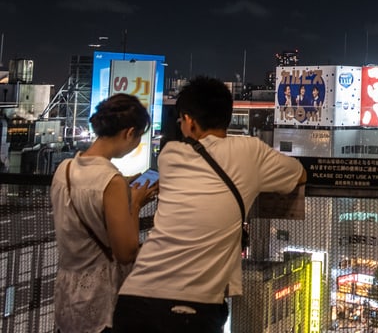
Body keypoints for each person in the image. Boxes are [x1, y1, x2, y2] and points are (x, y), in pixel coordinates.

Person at [113, 75, 306, 333]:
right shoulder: (251, 152)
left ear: (190, 122)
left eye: (181, 120)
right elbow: (299, 174)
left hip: (134, 298)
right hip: (195, 306)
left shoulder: (169, 155)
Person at [50, 93, 157, 333]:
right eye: (138, 137)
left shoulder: (64, 170)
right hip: (99, 301)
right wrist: (135, 203)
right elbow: (126, 252)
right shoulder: (112, 181)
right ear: (129, 133)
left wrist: (126, 188)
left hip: (67, 294)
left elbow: (89, 196)